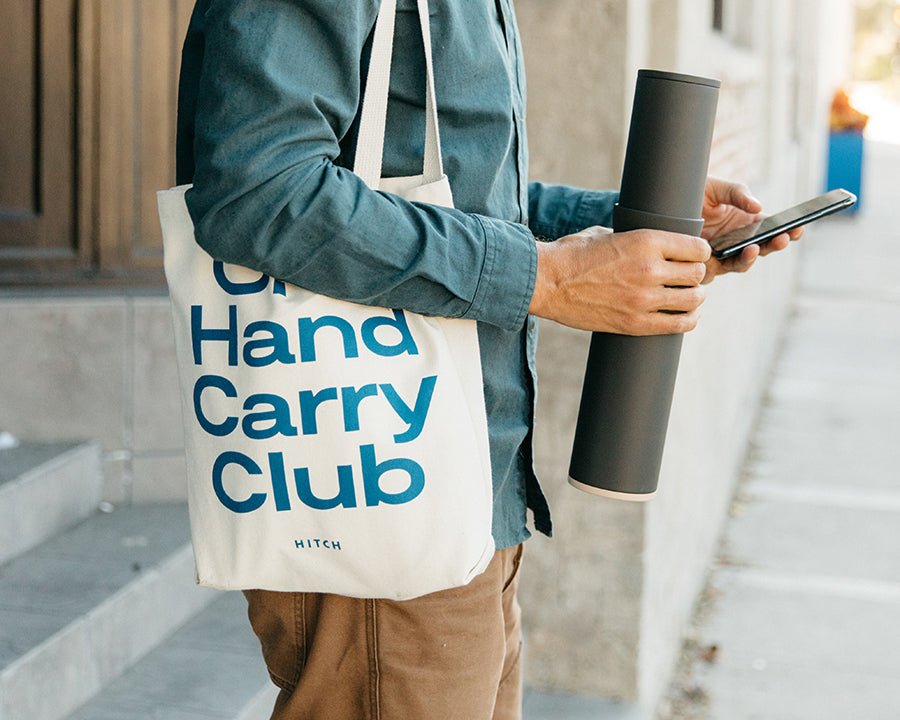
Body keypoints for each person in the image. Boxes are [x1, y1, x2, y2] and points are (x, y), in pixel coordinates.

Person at [175, 1, 800, 718]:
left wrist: (631, 235)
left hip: (468, 495)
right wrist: (550, 277)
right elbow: (257, 191)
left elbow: (457, 195)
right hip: (378, 498)